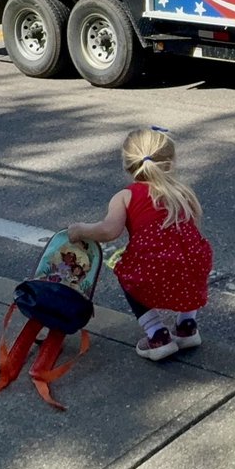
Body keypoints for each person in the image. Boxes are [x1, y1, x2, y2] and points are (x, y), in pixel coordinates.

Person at [67, 127, 213, 363]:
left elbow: (108, 231)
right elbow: (193, 231)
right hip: (191, 266)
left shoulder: (126, 196)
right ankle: (187, 326)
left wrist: (80, 230)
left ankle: (157, 335)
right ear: (171, 162)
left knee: (125, 269)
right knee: (191, 265)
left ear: (127, 165)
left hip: (153, 269)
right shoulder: (181, 192)